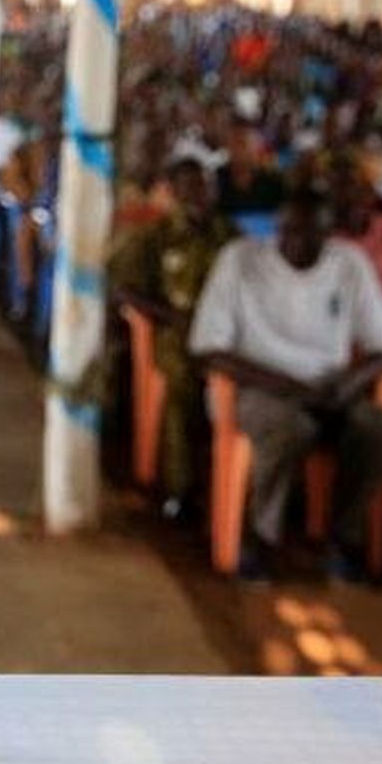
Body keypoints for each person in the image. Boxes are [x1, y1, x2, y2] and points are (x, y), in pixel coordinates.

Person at [189, 189, 382, 580]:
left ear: (330, 235)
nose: (299, 242)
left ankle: (341, 537)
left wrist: (350, 384)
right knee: (289, 427)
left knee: (376, 430)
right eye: (289, 232)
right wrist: (288, 387)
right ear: (277, 229)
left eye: (312, 234)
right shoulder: (240, 260)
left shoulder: (349, 264)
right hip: (256, 386)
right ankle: (260, 537)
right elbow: (209, 349)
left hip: (328, 388)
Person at [109, 156, 236, 516]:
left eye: (203, 185)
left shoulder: (228, 235)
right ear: (174, 191)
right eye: (189, 186)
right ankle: (179, 488)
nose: (197, 193)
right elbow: (125, 290)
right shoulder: (156, 236)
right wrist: (171, 316)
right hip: (178, 334)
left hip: (228, 336)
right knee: (180, 386)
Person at [328, 159, 382, 291]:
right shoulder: (327, 240)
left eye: (354, 186)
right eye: (339, 186)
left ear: (369, 194)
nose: (347, 194)